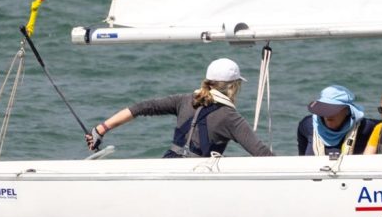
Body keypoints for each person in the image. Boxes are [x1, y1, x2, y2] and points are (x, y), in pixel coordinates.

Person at [85, 58, 274, 158]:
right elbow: (261, 153)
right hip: (194, 179)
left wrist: (100, 130)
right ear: (233, 87)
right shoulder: (229, 116)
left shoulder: (183, 100)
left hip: (168, 165)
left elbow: (140, 108)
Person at [297, 85, 379, 156]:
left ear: (347, 110)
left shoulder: (365, 127)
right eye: (324, 109)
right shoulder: (307, 125)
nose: (328, 114)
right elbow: (302, 159)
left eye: (333, 109)